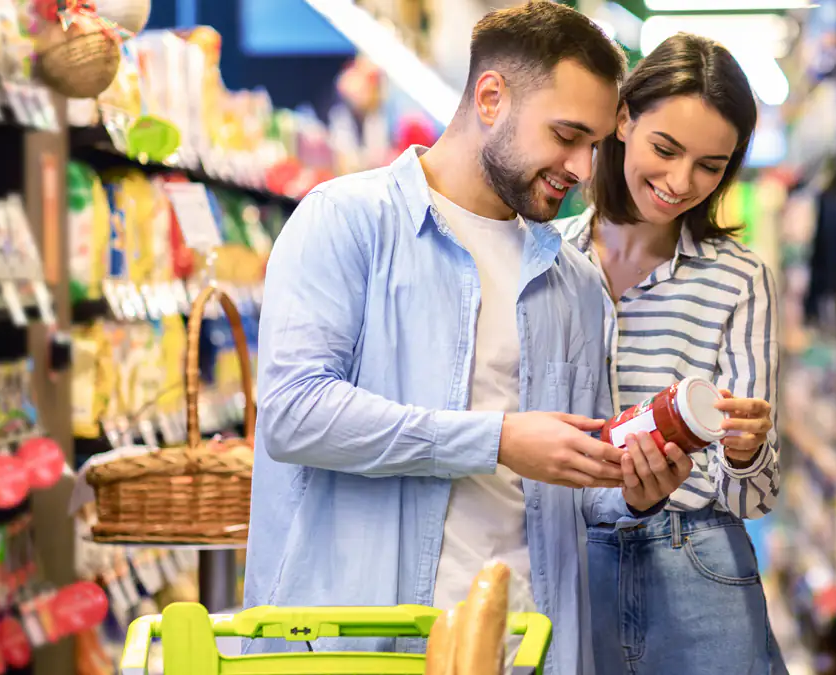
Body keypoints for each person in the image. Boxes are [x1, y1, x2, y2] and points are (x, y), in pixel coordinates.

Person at [243, 4, 693, 674]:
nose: (581, 165)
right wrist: (497, 438)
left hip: (526, 648)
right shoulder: (346, 222)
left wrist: (633, 485)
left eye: (597, 144)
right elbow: (294, 415)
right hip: (367, 647)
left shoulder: (576, 287)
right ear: (490, 97)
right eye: (566, 134)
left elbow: (572, 486)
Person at [556, 33, 785, 674]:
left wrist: (746, 452)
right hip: (568, 560)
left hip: (699, 562)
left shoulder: (739, 277)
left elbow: (757, 499)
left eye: (711, 165)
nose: (681, 182)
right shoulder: (545, 260)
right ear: (623, 118)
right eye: (666, 148)